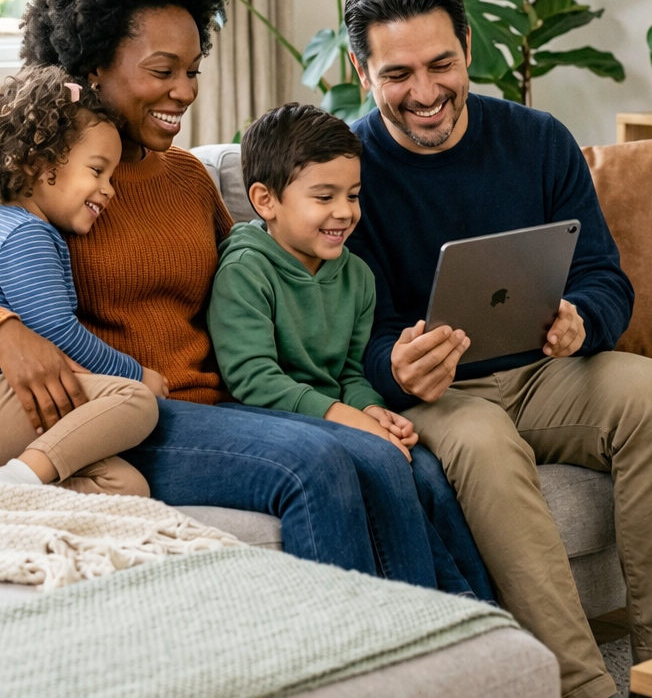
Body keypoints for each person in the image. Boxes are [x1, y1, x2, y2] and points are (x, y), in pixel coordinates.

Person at [0, 0, 476, 588]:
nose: (184, 91)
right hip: (130, 415)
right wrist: (2, 332)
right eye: (162, 71)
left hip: (224, 408)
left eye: (191, 71)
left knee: (412, 461)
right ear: (92, 64)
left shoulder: (187, 179)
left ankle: (469, 639)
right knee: (314, 464)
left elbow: (261, 280)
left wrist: (357, 390)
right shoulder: (32, 170)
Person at [342, 0, 652, 698]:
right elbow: (349, 332)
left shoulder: (537, 140)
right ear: (361, 72)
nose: (425, 93)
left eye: (441, 65)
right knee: (483, 443)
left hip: (546, 373)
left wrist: (582, 320)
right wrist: (394, 364)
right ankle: (581, 686)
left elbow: (604, 276)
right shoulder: (346, 171)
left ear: (468, 46)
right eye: (397, 75)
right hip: (438, 398)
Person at [207, 102, 493, 599]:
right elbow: (253, 379)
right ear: (265, 200)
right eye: (324, 196)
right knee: (384, 464)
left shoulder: (356, 275)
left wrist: (371, 410)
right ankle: (420, 606)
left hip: (334, 415)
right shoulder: (245, 271)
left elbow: (351, 371)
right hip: (273, 420)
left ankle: (472, 604)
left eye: (353, 195)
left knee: (428, 471)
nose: (344, 211)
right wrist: (345, 417)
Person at [0, 65, 160, 494]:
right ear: (38, 164)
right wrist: (137, 373)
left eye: (111, 177)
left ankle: (7, 502)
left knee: (126, 487)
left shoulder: (15, 226)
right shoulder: (22, 234)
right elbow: (56, 331)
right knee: (136, 400)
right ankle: (10, 482)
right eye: (97, 171)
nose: (110, 189)